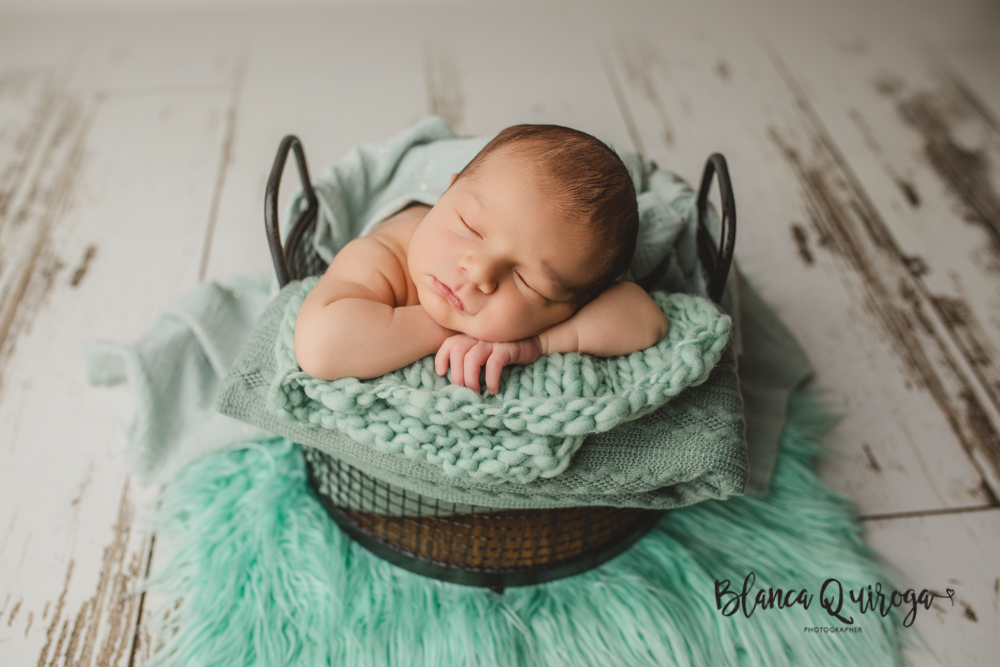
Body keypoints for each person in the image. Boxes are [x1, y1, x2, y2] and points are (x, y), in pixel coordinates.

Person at [294, 124, 669, 395]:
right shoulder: (383, 255)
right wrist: (455, 327)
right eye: (469, 228)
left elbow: (646, 320)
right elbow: (320, 346)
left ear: (570, 307)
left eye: (528, 282)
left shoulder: (565, 267)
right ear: (448, 191)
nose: (478, 271)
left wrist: (534, 344)